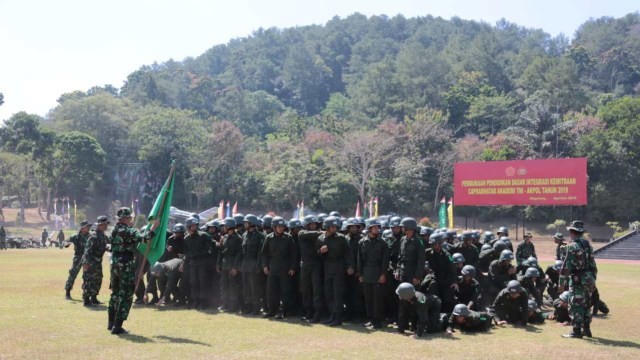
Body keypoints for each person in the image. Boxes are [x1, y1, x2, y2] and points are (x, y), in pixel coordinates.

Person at [108, 207, 159, 335]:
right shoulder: (130, 231)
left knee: (115, 293)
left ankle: (110, 322)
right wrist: (154, 227)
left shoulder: (114, 230)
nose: (131, 220)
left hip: (114, 264)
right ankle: (117, 326)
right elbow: (145, 238)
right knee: (126, 295)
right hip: (125, 265)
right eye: (130, 218)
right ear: (125, 218)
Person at [559, 220, 597, 338]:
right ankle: (586, 328)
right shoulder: (587, 245)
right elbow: (593, 265)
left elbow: (566, 266)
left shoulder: (571, 246)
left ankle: (576, 331)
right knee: (586, 304)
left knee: (575, 304)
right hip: (589, 279)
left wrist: (561, 283)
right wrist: (592, 278)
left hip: (577, 279)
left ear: (571, 231)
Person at [316, 216, 353, 327]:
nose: (334, 229)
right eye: (332, 227)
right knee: (328, 292)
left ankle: (338, 317)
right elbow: (317, 255)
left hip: (339, 266)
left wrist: (350, 266)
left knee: (338, 293)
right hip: (327, 267)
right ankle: (332, 315)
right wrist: (320, 251)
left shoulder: (341, 238)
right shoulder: (320, 239)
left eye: (336, 227)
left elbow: (348, 253)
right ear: (327, 227)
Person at [261, 216, 298, 319]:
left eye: (282, 226)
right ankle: (272, 310)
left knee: (285, 291)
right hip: (272, 267)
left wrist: (292, 267)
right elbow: (264, 254)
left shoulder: (288, 238)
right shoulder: (269, 237)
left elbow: (294, 254)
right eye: (279, 226)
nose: (281, 228)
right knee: (271, 290)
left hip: (285, 268)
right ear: (274, 227)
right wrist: (265, 266)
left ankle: (283, 311)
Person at [357, 218, 389, 329]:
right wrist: (360, 274)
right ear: (369, 229)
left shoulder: (383, 243)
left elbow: (385, 260)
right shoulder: (362, 242)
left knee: (377, 299)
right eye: (374, 227)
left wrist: (383, 274)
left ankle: (377, 321)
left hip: (377, 272)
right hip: (366, 272)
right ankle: (370, 319)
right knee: (368, 298)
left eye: (378, 227)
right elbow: (359, 259)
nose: (377, 229)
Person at [298, 215, 324, 323]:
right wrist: (320, 232)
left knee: (316, 290)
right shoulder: (302, 233)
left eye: (314, 224)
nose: (313, 226)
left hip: (316, 264)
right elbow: (308, 234)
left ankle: (317, 314)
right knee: (306, 289)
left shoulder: (319, 236)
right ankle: (308, 312)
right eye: (311, 224)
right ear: (306, 225)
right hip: (306, 264)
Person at [184, 216, 211, 309]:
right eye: (192, 225)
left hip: (202, 263)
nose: (195, 227)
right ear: (188, 227)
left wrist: (201, 253)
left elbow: (210, 246)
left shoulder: (203, 235)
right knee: (194, 283)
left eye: (195, 225)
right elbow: (186, 252)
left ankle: (203, 302)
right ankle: (195, 301)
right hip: (192, 264)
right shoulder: (186, 238)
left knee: (202, 283)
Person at [81, 216, 110, 306]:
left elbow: (109, 246)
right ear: (100, 225)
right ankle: (86, 299)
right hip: (90, 262)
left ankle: (94, 298)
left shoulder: (104, 237)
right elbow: (87, 250)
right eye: (104, 224)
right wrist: (86, 263)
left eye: (106, 224)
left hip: (98, 262)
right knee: (88, 280)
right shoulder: (93, 236)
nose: (106, 226)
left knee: (98, 279)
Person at [241, 214, 265, 315]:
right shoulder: (244, 235)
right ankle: (248, 307)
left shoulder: (260, 236)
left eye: (246, 222)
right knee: (246, 288)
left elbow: (260, 253)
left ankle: (256, 308)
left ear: (251, 223)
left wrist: (259, 266)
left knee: (254, 288)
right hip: (245, 265)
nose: (245, 224)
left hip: (254, 265)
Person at [217, 217, 243, 312]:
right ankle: (225, 304)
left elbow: (239, 254)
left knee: (233, 286)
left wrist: (235, 267)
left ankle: (233, 306)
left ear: (229, 226)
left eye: (225, 226)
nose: (223, 227)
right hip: (224, 265)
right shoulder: (224, 237)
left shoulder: (238, 238)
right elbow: (221, 252)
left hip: (232, 265)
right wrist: (218, 264)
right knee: (224, 285)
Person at [64, 221, 91, 299]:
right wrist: (67, 244)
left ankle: (86, 294)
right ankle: (67, 292)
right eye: (87, 226)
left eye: (89, 226)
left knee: (87, 276)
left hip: (87, 258)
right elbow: (66, 241)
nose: (88, 228)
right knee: (73, 274)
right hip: (78, 258)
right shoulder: (76, 236)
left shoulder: (90, 236)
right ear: (82, 228)